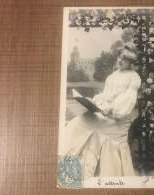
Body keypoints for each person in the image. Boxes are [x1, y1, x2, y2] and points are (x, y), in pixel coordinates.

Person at [59, 44, 141, 177]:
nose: (120, 60)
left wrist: (112, 108)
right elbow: (106, 94)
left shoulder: (134, 77)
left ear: (131, 62)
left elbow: (128, 99)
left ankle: (80, 171)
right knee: (79, 121)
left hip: (117, 119)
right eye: (120, 57)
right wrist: (94, 101)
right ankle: (70, 171)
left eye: (124, 59)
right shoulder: (115, 74)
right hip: (106, 112)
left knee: (84, 122)